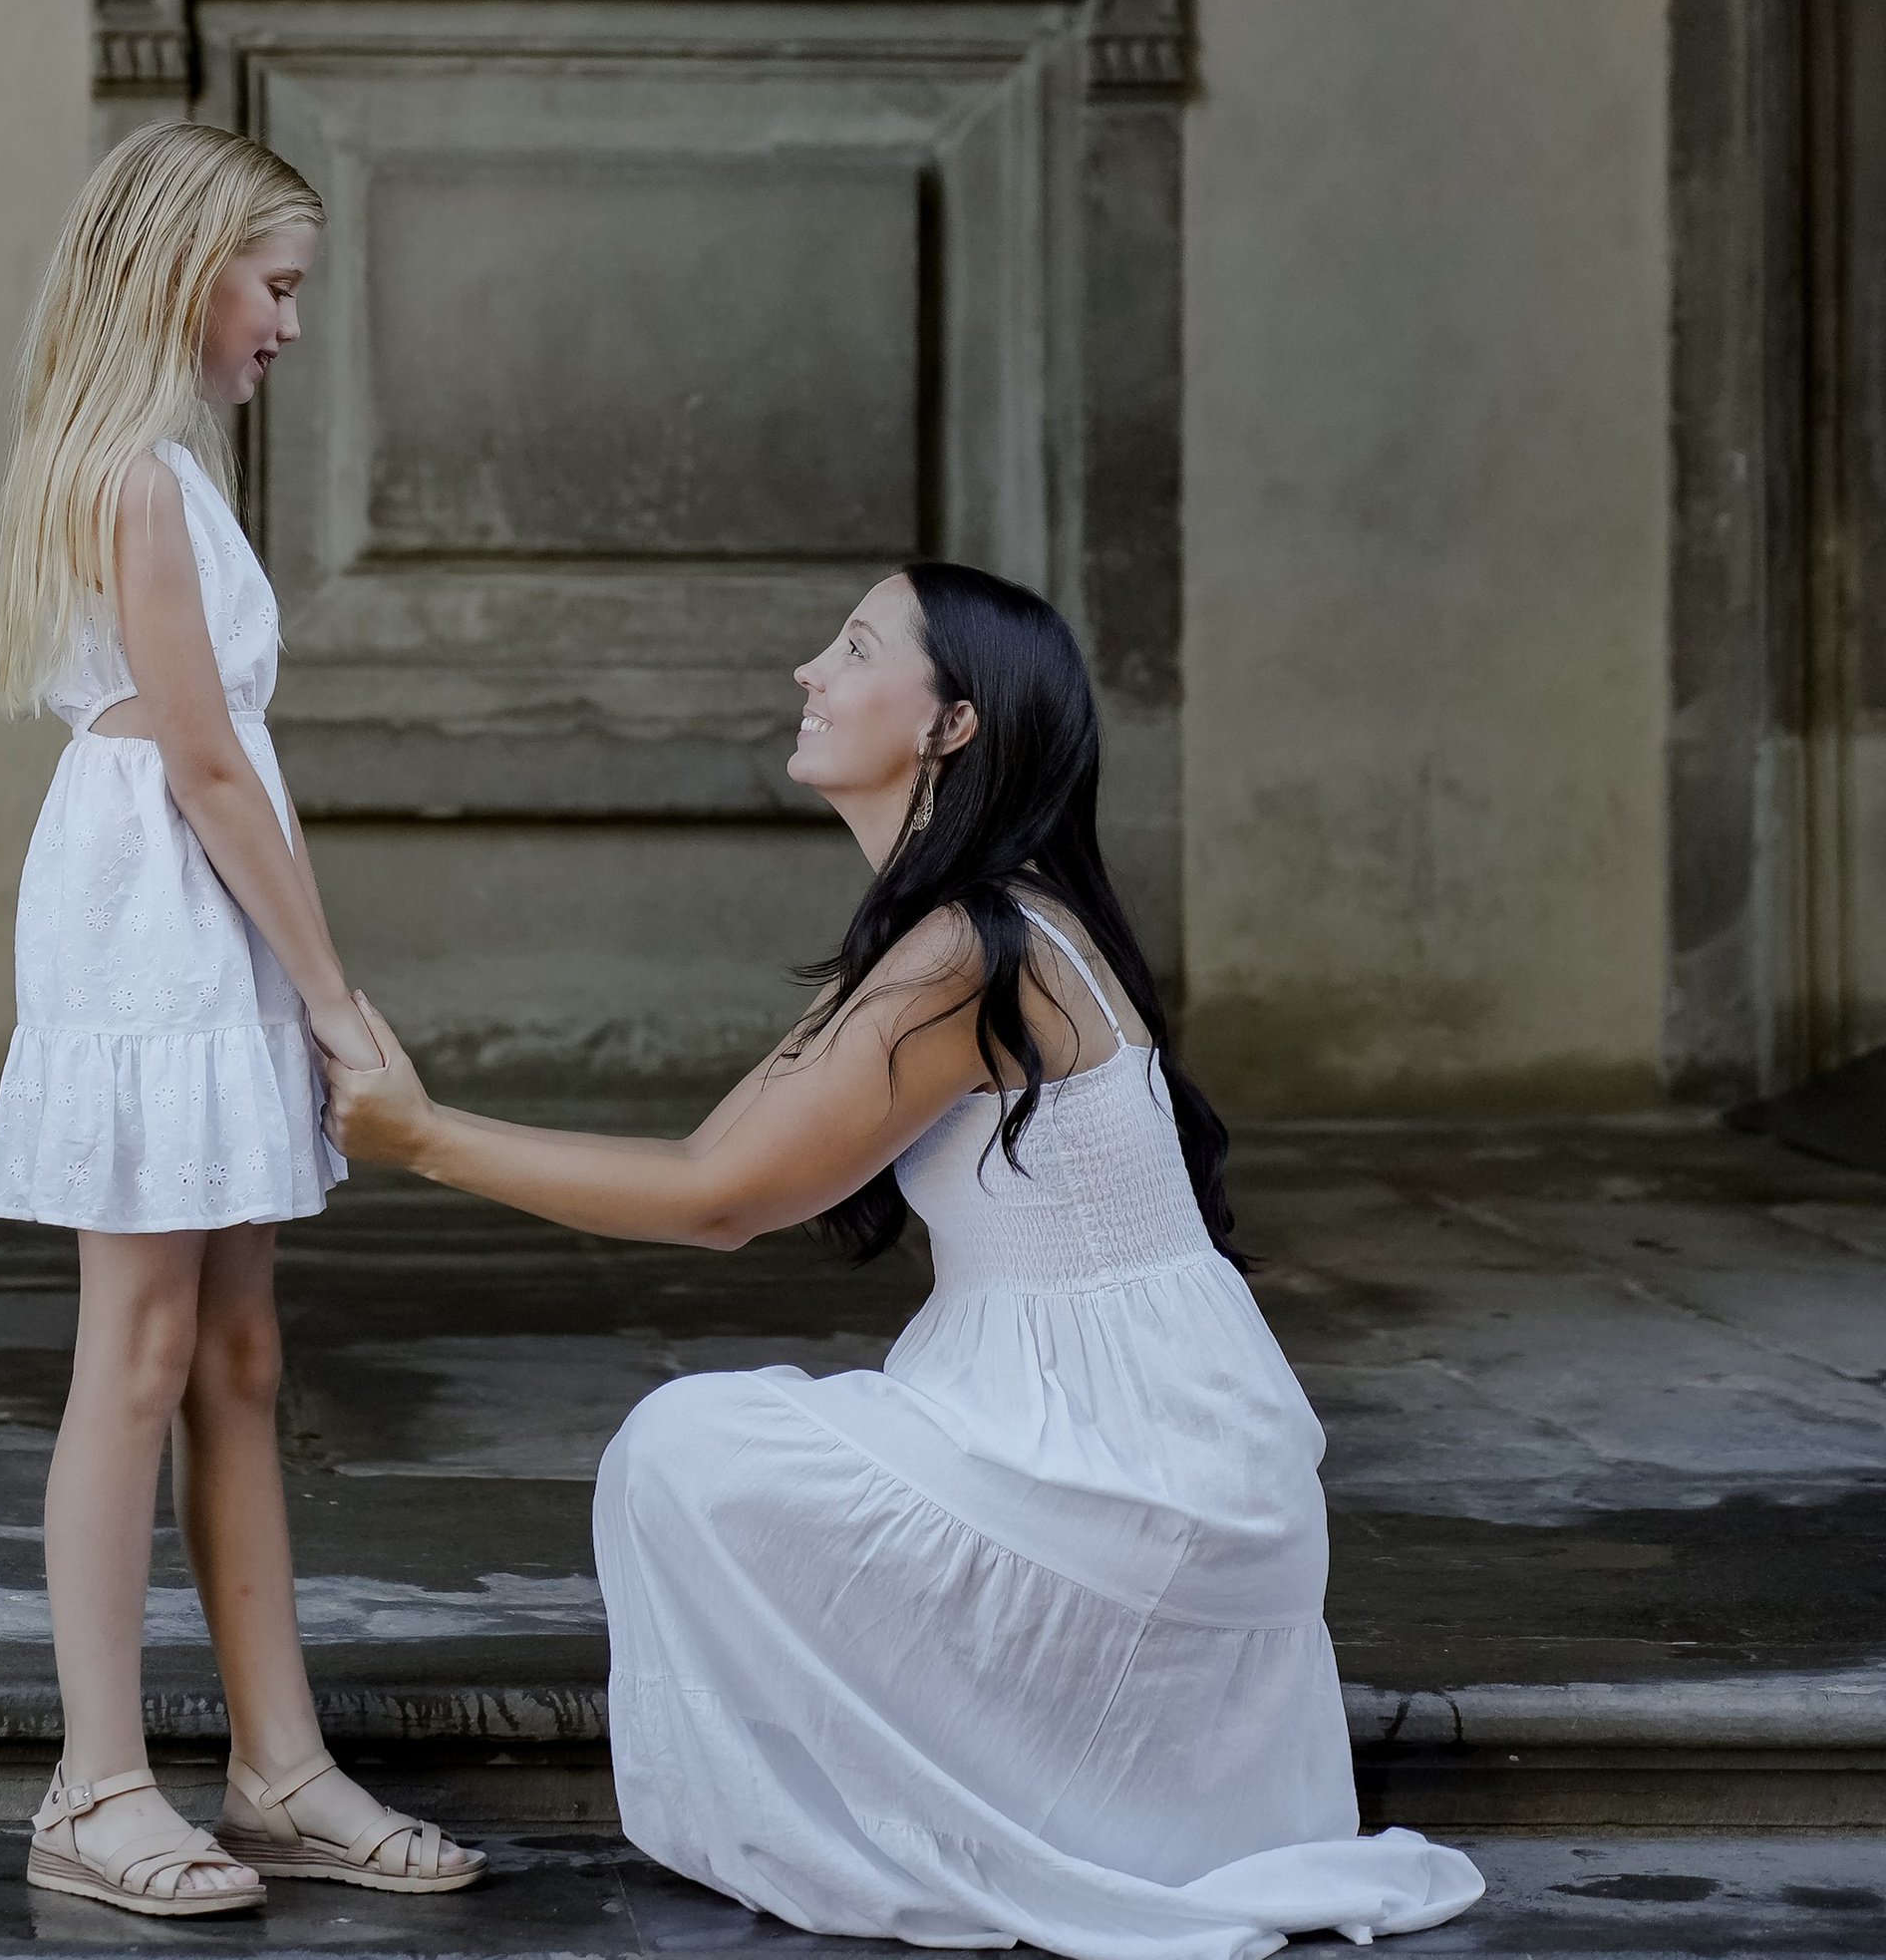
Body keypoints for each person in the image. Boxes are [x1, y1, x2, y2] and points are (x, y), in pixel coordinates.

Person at [324, 562, 1483, 1959]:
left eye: (856, 647)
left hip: (1141, 1477)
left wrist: (422, 1139)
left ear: (952, 727)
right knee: (709, 1454)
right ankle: (987, 1801)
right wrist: (425, 1124)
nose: (809, 670)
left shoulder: (975, 950)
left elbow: (713, 1204)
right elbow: (720, 1152)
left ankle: (947, 1832)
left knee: (687, 1449)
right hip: (1135, 1448)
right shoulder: (963, 929)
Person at [0, 123, 482, 1918]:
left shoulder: (161, 470)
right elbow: (199, 758)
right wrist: (337, 1000)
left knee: (241, 1354)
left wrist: (297, 980)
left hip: (201, 925)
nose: (284, 324)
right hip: (156, 929)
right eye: (274, 286)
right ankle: (94, 1783)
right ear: (188, 269)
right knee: (136, 1353)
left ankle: (278, 1764)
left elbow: (217, 764)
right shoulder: (133, 476)